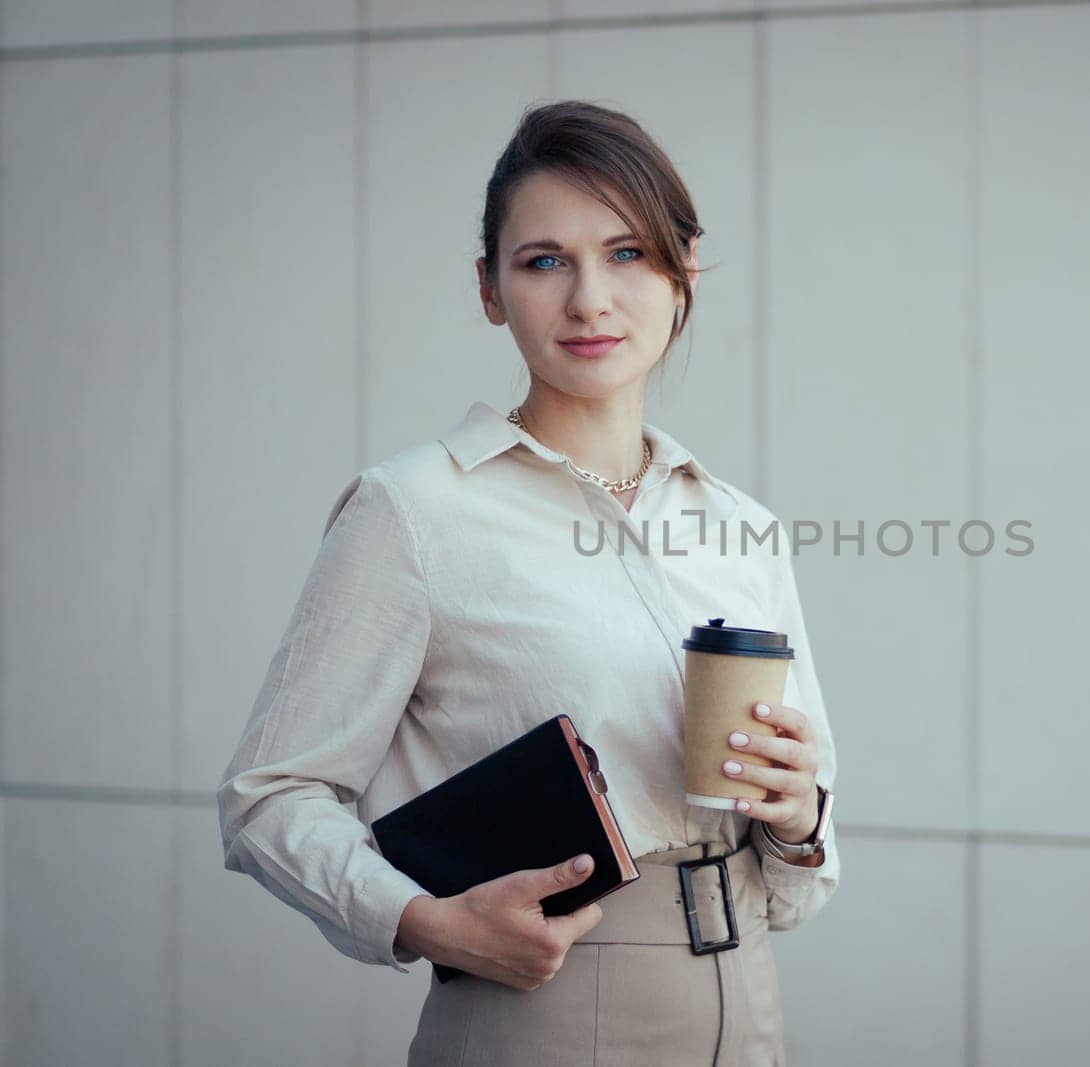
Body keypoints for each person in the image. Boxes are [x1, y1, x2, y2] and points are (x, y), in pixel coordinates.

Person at [216, 100, 840, 1065]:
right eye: (544, 260)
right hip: (548, 997)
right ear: (490, 289)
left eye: (628, 253)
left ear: (686, 273)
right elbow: (270, 794)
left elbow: (804, 872)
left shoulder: (740, 525)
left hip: (746, 996)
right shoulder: (414, 511)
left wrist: (801, 818)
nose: (590, 298)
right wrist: (422, 918)